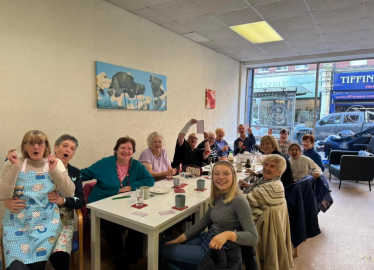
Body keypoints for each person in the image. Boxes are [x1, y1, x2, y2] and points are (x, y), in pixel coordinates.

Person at [160, 161, 258, 270]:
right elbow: (203, 222)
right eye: (216, 173)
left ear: (233, 176)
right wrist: (180, 239)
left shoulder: (239, 200)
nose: (220, 177)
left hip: (217, 252)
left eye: (225, 173)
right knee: (163, 242)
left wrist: (228, 235)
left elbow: (253, 238)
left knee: (164, 250)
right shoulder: (218, 195)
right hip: (207, 238)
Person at [0, 130, 75, 270]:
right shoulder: (14, 163)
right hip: (17, 224)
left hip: (46, 224)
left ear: (46, 146)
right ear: (25, 146)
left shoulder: (55, 163)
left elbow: (69, 192)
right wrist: (13, 167)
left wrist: (54, 171)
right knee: (15, 267)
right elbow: (2, 194)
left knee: (36, 266)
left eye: (40, 143)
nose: (36, 147)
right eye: (31, 143)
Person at [80, 136, 154, 269]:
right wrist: (62, 171)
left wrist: (131, 186)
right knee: (114, 227)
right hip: (101, 207)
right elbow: (82, 174)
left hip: (125, 206)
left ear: (133, 151)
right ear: (116, 150)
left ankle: (132, 251)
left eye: (129, 148)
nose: (126, 151)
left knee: (139, 222)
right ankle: (119, 257)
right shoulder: (105, 164)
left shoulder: (136, 165)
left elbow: (149, 180)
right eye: (123, 148)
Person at [245, 154, 287, 223]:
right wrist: (248, 186)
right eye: (266, 164)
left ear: (279, 172)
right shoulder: (267, 181)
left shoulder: (272, 187)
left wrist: (232, 188)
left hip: (256, 224)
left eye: (272, 166)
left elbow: (246, 201)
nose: (267, 168)